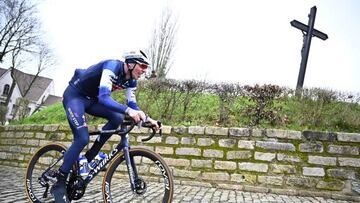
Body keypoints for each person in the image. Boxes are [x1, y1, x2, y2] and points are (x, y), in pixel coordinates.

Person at [51, 50, 159, 203]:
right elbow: (104, 98)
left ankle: (90, 156)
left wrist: (149, 119)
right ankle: (59, 182)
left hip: (91, 100)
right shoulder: (112, 66)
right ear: (130, 63)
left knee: (117, 117)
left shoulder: (132, 81)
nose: (144, 70)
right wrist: (129, 111)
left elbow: (133, 105)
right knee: (82, 138)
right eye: (142, 66)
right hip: (75, 96)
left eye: (146, 67)